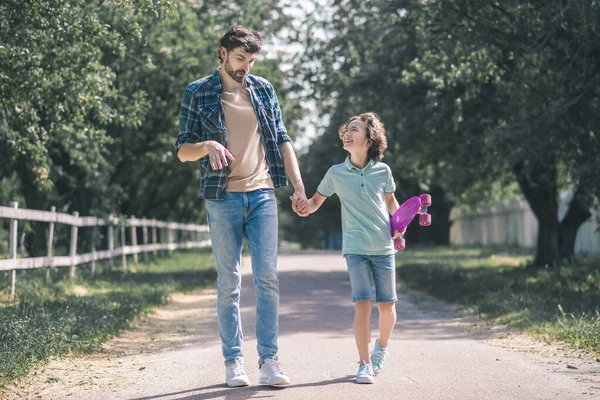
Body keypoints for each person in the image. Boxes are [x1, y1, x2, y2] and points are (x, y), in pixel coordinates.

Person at [175, 25, 306, 387]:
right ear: (222, 53)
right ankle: (234, 362)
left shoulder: (263, 89)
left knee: (267, 279)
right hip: (223, 197)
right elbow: (183, 149)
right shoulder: (198, 92)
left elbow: (281, 139)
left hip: (263, 193)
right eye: (238, 58)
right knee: (229, 282)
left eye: (250, 60)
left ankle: (269, 360)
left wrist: (298, 187)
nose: (244, 66)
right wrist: (206, 146)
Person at [294, 112, 402, 384]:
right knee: (363, 304)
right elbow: (316, 201)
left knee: (387, 307)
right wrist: (305, 207)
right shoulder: (336, 173)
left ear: (369, 140)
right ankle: (364, 364)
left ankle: (382, 348)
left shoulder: (382, 171)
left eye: (354, 129)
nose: (347, 133)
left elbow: (391, 203)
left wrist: (399, 224)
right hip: (354, 248)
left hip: (383, 246)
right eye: (346, 129)